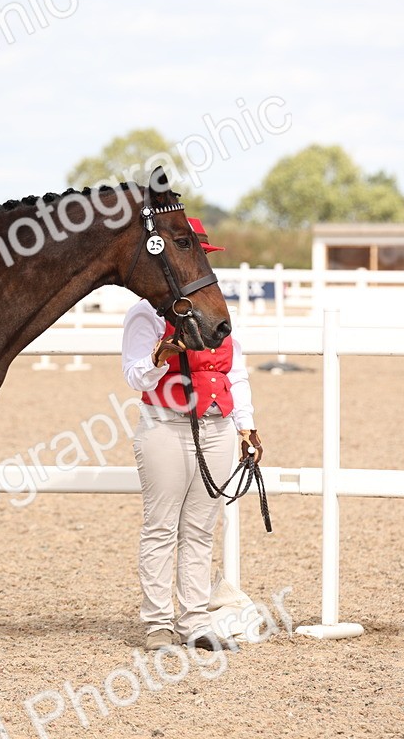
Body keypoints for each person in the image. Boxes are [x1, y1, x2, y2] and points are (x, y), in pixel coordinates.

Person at [121, 217, 262, 652]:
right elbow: (134, 377)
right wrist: (161, 356)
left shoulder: (214, 308)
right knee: (161, 527)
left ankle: (195, 621)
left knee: (201, 528)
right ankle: (158, 623)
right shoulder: (145, 312)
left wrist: (246, 425)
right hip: (165, 425)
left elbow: (235, 371)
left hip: (217, 425)